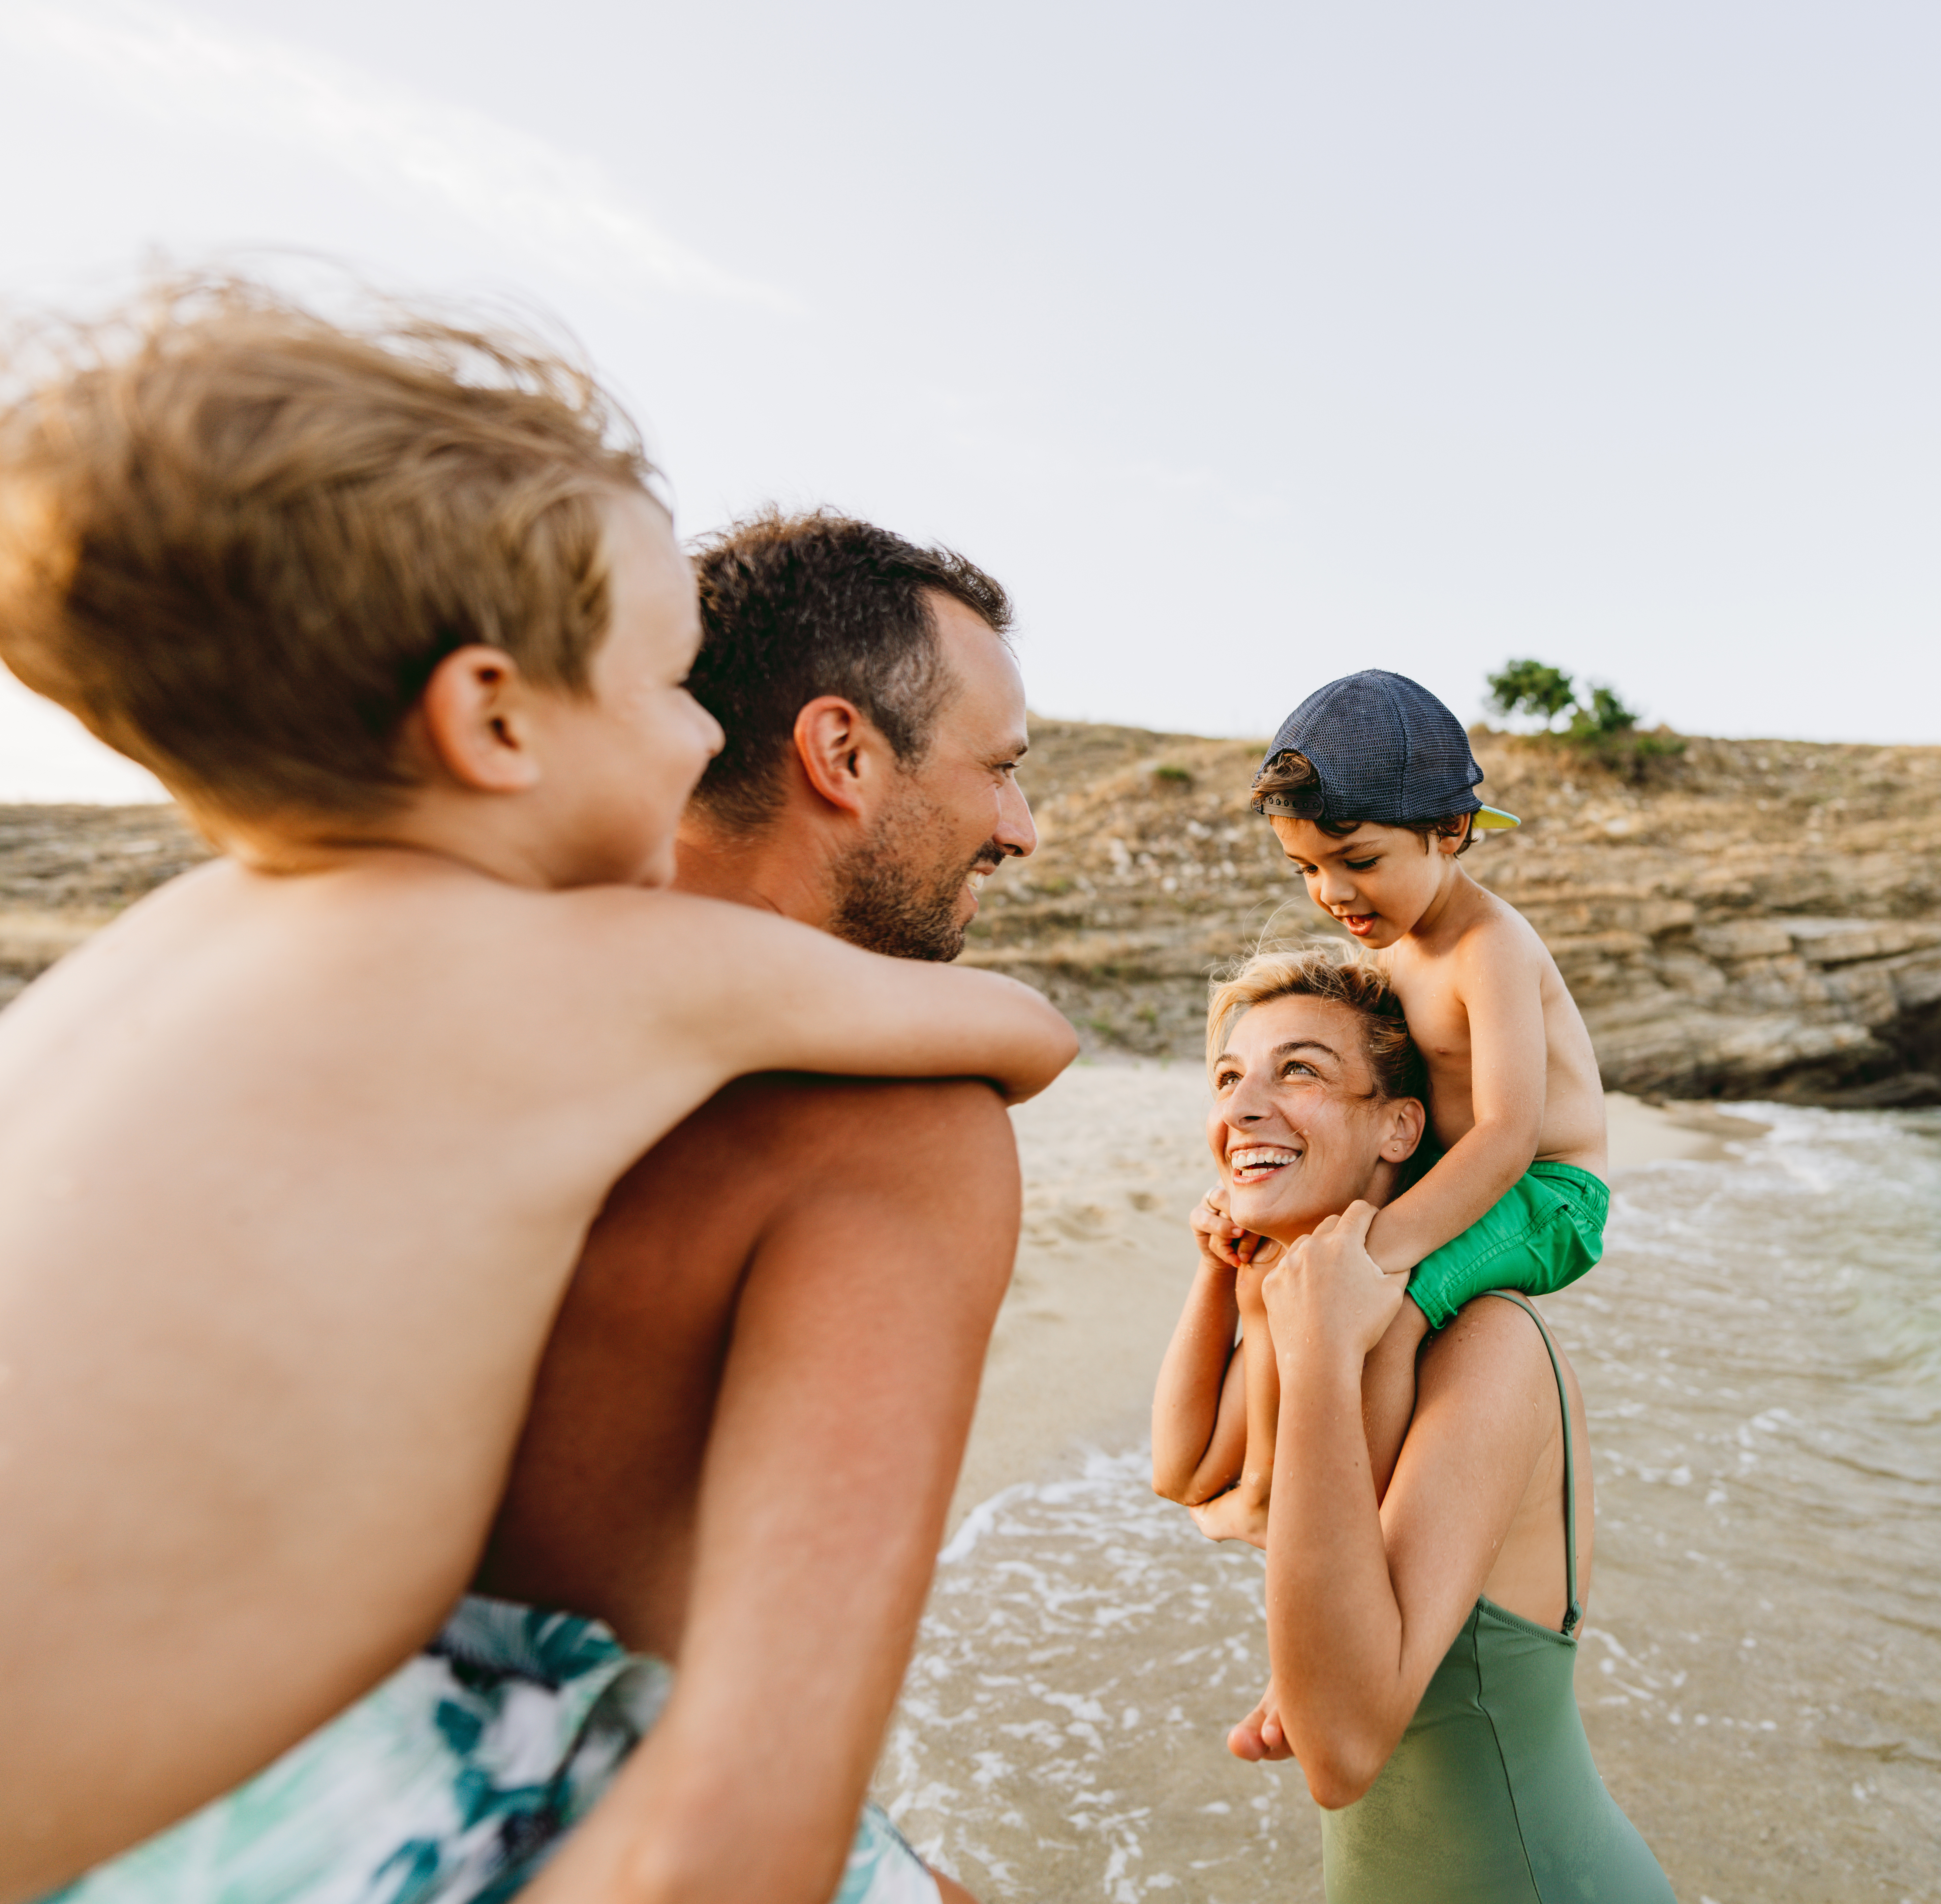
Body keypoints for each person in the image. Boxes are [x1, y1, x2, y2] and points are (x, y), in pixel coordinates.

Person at [0, 282, 1076, 1903]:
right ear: (494, 715)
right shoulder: (631, 1003)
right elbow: (1022, 1035)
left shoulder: (170, 954)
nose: (701, 729)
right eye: (668, 689)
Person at [462, 510, 1047, 1904]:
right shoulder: (900, 1132)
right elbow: (752, 1822)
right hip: (571, 1818)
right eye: (1002, 772)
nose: (1020, 830)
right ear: (842, 755)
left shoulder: (470, 976)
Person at [1151, 944, 1672, 1903]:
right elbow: (1185, 1476)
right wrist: (1224, 1279)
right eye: (1228, 1078)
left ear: (1399, 1127)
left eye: (1298, 1070)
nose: (1242, 1109)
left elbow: (1340, 1752)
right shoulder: (1293, 1297)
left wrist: (1314, 1365)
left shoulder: (1489, 1346)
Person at [1185, 670, 1610, 1542]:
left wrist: (1382, 1251)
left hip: (1546, 1194)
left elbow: (1506, 1132)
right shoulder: (1393, 951)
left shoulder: (1486, 947)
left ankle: (1348, 1528)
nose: (1332, 894)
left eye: (1359, 862)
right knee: (1279, 1268)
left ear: (1447, 833)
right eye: (1306, 868)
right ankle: (1266, 1480)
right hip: (1460, 1176)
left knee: (1392, 1304)